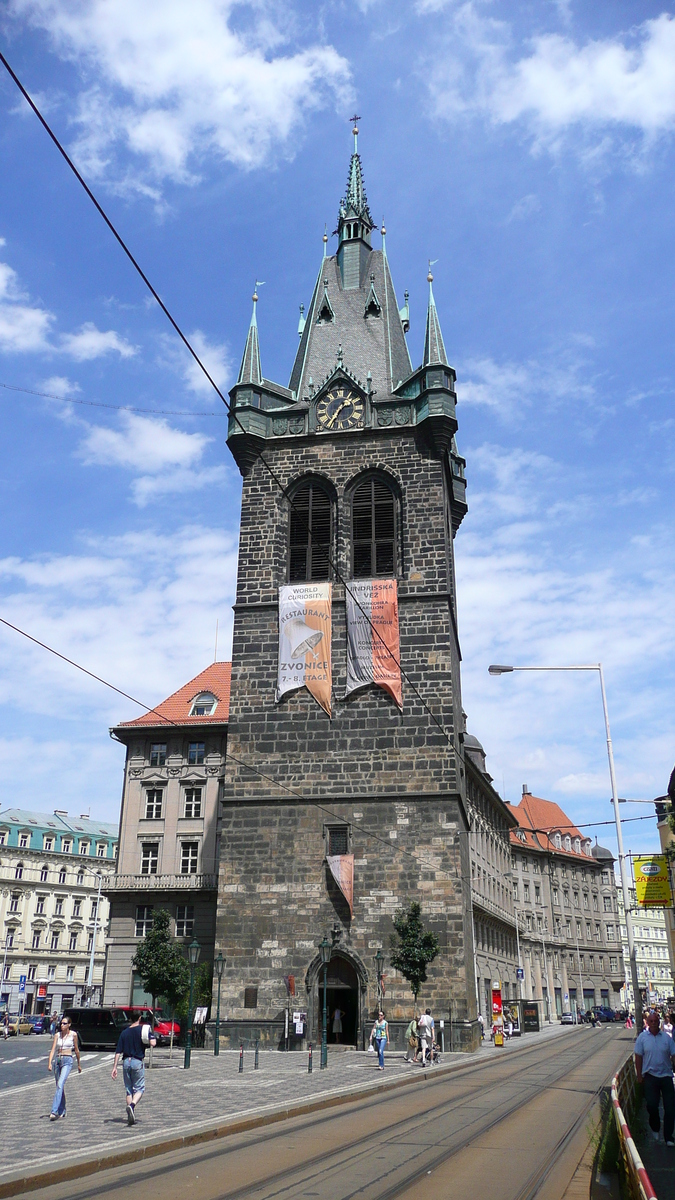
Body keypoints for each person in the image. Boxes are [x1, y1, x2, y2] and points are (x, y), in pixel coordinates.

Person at [634, 1009, 675, 1147]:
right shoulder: (642, 1038)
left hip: (666, 1076)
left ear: (659, 1022)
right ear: (647, 1022)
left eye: (655, 1021)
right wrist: (639, 1075)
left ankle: (668, 1137)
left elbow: (674, 1055)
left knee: (670, 1108)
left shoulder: (667, 1039)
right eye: (651, 1021)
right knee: (652, 1106)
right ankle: (655, 1127)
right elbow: (638, 1056)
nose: (653, 1023)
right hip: (650, 1077)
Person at [111, 1012, 156, 1125]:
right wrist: (151, 1035)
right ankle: (132, 1105)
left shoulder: (124, 1032)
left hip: (126, 1062)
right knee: (140, 1088)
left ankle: (130, 1113)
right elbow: (153, 1043)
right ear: (140, 1018)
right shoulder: (143, 1030)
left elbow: (118, 1051)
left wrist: (114, 1067)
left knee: (128, 1089)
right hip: (137, 1061)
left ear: (130, 1019)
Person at [47, 1015, 82, 1120]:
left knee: (60, 1084)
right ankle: (63, 1109)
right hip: (57, 1061)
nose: (62, 1025)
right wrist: (49, 1063)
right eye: (61, 1023)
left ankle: (54, 1111)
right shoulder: (57, 1035)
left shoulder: (73, 1035)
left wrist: (79, 1064)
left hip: (68, 1061)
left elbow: (76, 1050)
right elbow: (53, 1049)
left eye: (64, 1023)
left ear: (69, 1025)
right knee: (59, 1086)